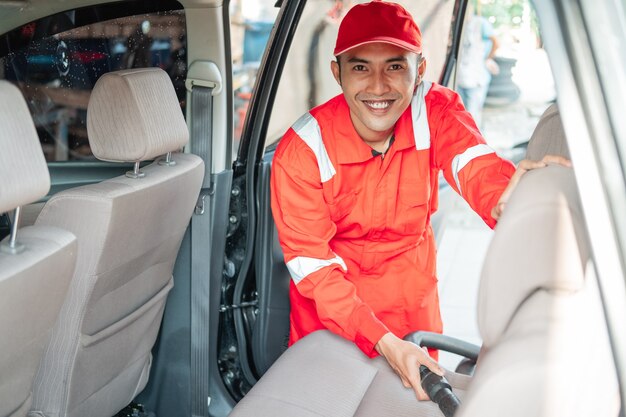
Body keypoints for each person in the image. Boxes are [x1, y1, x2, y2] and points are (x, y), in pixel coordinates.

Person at [270, 0, 568, 402]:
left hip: (413, 305)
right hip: (332, 320)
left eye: (395, 65)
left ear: (420, 70)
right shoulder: (303, 150)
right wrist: (383, 340)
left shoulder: (436, 111)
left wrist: (517, 201)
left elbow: (476, 166)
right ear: (336, 72)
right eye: (360, 67)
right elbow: (316, 272)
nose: (378, 86)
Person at [456, 6, 500, 128]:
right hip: (461, 77)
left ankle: (477, 144)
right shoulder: (459, 24)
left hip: (476, 78)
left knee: (473, 117)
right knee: (463, 116)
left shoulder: (480, 23)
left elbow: (496, 42)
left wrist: (488, 58)